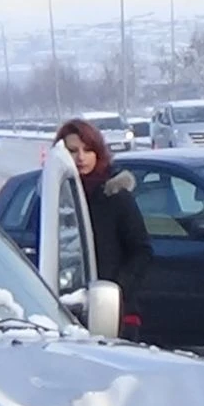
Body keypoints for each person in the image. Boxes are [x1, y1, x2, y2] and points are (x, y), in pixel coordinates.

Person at [53, 117, 152, 339]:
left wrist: (115, 290)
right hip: (68, 310)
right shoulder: (56, 199)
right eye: (72, 151)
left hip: (115, 311)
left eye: (87, 150)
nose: (80, 158)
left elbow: (142, 251)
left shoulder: (115, 196)